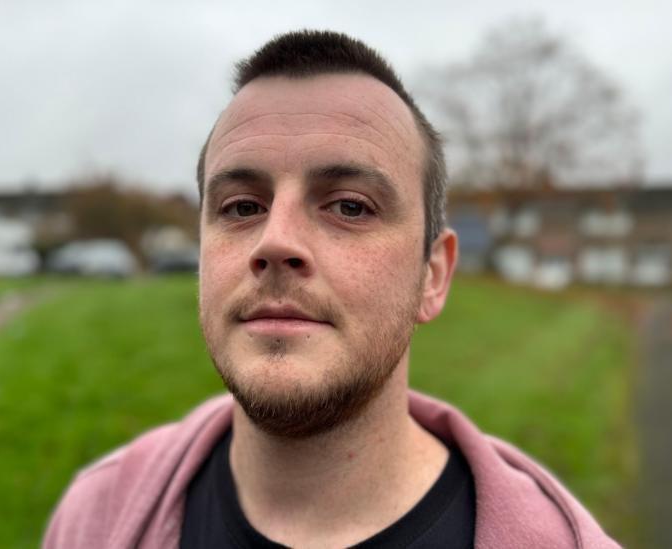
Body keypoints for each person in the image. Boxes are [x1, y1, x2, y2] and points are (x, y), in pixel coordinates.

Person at [43, 30, 619, 549]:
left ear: (433, 275)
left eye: (350, 206)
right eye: (241, 206)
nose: (274, 241)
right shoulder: (95, 516)